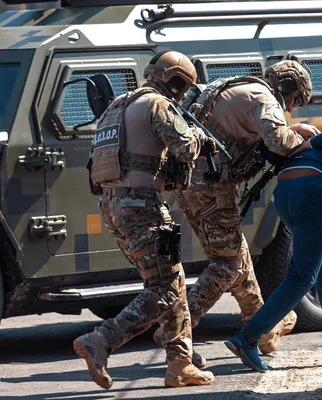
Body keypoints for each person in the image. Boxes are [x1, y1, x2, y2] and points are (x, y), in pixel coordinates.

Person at [153, 60, 317, 365]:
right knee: (227, 264)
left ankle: (264, 329)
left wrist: (289, 127)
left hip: (192, 184)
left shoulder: (239, 87)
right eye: (295, 101)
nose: (291, 109)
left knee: (237, 255)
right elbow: (278, 141)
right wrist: (312, 143)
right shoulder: (265, 97)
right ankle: (173, 332)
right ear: (289, 88)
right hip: (212, 186)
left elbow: (252, 128)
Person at [73, 51, 216, 389]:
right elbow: (184, 147)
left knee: (172, 280)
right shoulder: (158, 105)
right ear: (176, 82)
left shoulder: (117, 106)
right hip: (142, 208)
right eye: (184, 88)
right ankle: (101, 340)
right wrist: (201, 139)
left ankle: (180, 364)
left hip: (114, 208)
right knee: (164, 288)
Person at [225, 121, 322, 372]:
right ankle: (247, 338)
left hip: (285, 195)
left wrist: (297, 131)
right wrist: (310, 141)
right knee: (302, 276)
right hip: (312, 191)